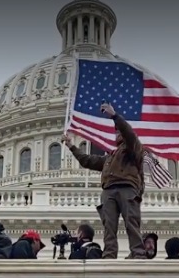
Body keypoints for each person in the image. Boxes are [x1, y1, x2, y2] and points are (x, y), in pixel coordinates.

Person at [62, 102, 147, 259]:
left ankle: (138, 253)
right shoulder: (110, 157)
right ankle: (109, 254)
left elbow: (129, 134)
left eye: (118, 132)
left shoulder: (133, 148)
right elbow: (87, 160)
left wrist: (114, 116)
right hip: (109, 190)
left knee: (131, 223)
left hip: (127, 188)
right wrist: (71, 146)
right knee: (109, 225)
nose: (116, 134)